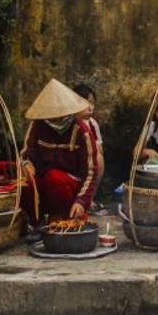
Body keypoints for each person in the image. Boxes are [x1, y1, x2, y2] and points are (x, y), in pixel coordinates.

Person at [19, 79, 100, 234]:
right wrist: (26, 165)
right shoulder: (37, 126)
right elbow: (25, 155)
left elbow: (90, 173)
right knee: (23, 182)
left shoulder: (82, 131)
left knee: (54, 177)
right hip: (44, 186)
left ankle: (66, 219)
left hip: (68, 187)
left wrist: (81, 201)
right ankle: (38, 223)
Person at [73, 83, 107, 216]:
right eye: (86, 103)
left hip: (87, 162)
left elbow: (100, 147)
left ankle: (89, 199)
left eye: (92, 103)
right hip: (72, 162)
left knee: (99, 158)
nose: (90, 108)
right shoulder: (70, 123)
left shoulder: (93, 123)